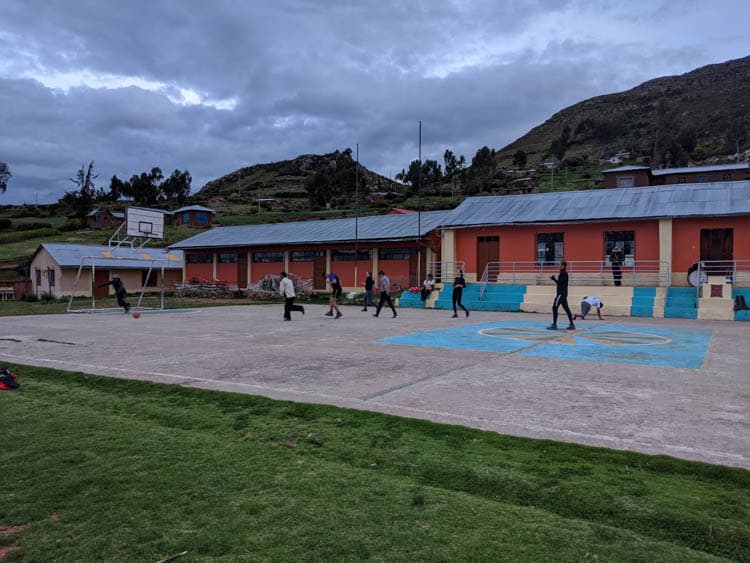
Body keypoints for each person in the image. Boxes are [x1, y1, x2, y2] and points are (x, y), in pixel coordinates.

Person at [548, 261, 575, 330]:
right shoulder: (563, 273)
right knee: (566, 309)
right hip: (564, 294)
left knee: (554, 307)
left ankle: (554, 324)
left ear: (563, 266)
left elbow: (560, 283)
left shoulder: (563, 274)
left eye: (560, 265)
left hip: (561, 294)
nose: (558, 266)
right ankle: (572, 324)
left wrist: (554, 279)